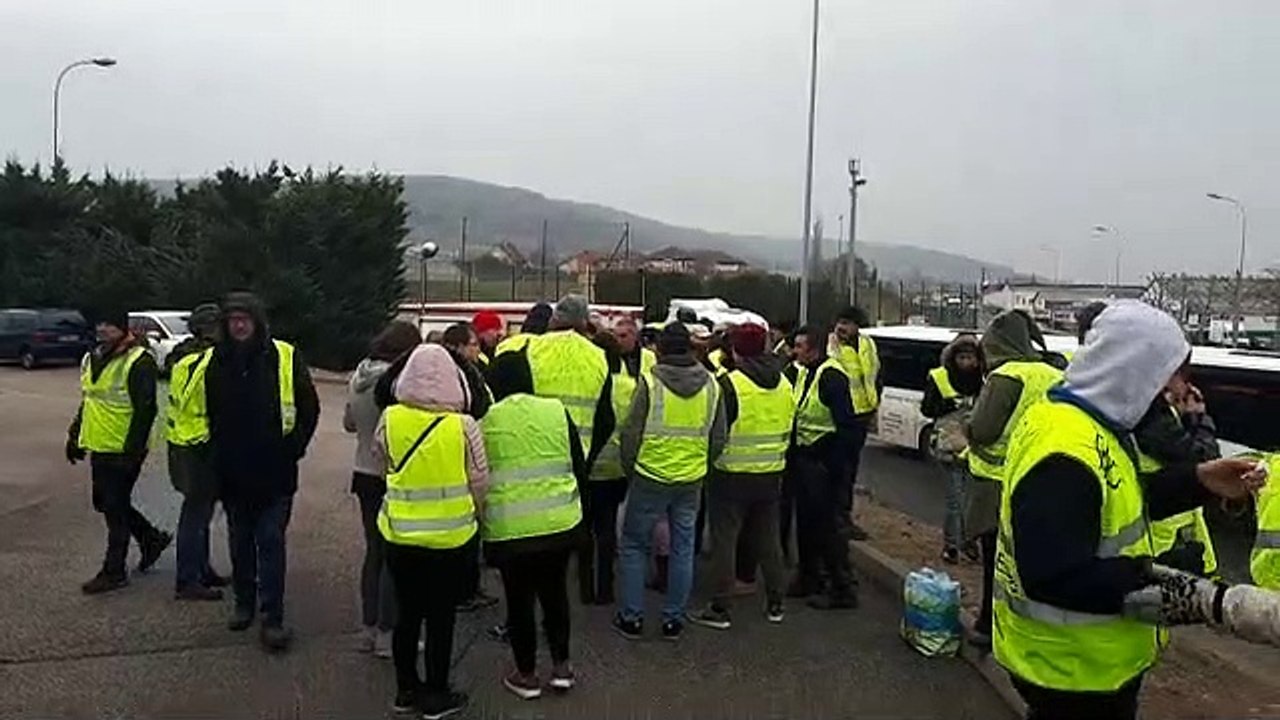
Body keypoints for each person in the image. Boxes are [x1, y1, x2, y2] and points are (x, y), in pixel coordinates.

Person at [993, 300, 1261, 720]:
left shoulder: (1084, 420)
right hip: (1072, 671)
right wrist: (1164, 573)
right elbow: (1052, 576)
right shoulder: (1065, 452)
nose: (1175, 390)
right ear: (1133, 368)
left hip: (1082, 664)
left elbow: (1120, 497)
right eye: (1170, 374)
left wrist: (1200, 480)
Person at [204, 292, 320, 652]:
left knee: (270, 543)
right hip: (233, 473)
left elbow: (308, 408)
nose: (239, 325)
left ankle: (272, 617)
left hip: (275, 473)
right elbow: (209, 413)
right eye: (232, 319)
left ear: (257, 321)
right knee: (240, 543)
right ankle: (244, 604)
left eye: (245, 318)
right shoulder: (216, 361)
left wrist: (293, 448)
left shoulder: (283, 356)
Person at [374, 344, 484, 719]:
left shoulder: (390, 419)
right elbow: (479, 482)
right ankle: (436, 693)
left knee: (408, 616)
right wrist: (478, 519)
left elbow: (381, 460)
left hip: (400, 536)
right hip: (451, 540)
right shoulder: (463, 426)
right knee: (441, 620)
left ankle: (405, 690)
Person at [481, 353, 586, 700]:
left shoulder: (487, 420)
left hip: (511, 529)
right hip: (560, 522)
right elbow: (577, 462)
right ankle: (562, 667)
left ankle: (526, 675)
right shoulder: (556, 410)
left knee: (519, 602)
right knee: (556, 595)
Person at [615, 323, 727, 640]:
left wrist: (631, 470)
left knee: (635, 545)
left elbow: (630, 434)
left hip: (650, 475)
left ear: (660, 349)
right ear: (691, 349)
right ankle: (673, 620)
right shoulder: (712, 385)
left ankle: (632, 617)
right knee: (682, 547)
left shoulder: (650, 383)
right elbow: (719, 437)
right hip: (691, 480)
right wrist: (702, 464)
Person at [964, 310, 1062, 647]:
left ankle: (989, 628)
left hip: (997, 484)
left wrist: (966, 426)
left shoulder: (1005, 377)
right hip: (1042, 481)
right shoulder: (1053, 374)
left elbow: (983, 430)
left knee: (997, 562)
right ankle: (1030, 631)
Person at [688, 324, 794, 630]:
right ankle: (776, 604)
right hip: (772, 472)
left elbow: (717, 430)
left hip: (730, 473)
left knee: (725, 541)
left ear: (734, 349)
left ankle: (721, 607)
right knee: (769, 540)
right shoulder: (785, 383)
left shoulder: (729, 384)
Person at [68, 311, 171, 595]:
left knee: (114, 507)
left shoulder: (139, 361)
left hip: (124, 447)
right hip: (99, 443)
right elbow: (90, 398)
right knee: (105, 502)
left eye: (108, 324)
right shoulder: (93, 357)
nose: (102, 328)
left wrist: (133, 451)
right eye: (99, 322)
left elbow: (146, 409)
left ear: (123, 327)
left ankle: (114, 571)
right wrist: (75, 434)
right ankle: (150, 537)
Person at [344, 320, 421, 656]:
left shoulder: (358, 376)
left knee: (374, 553)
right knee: (394, 556)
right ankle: (391, 633)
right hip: (391, 474)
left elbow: (348, 422)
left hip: (363, 473)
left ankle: (369, 628)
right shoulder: (396, 384)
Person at [786, 324, 860, 610]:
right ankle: (809, 577)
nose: (795, 351)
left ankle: (841, 588)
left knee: (829, 528)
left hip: (826, 463)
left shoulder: (831, 377)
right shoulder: (805, 372)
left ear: (814, 349)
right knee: (806, 523)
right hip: (806, 459)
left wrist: (833, 465)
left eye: (800, 346)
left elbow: (847, 428)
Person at [166, 303, 229, 600]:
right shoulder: (208, 360)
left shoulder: (182, 356)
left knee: (197, 513)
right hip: (201, 445)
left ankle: (201, 569)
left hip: (182, 443)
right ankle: (189, 578)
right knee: (196, 514)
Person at [440, 322, 498, 613]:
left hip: (462, 454)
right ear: (459, 346)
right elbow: (479, 408)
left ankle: (462, 586)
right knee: (466, 526)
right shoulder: (461, 375)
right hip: (463, 456)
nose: (478, 349)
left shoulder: (469, 370)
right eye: (473, 344)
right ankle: (464, 589)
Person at [577, 332, 632, 605]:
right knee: (607, 528)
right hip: (616, 467)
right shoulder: (630, 386)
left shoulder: (586, 384)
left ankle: (585, 586)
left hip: (588, 464)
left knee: (585, 528)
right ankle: (606, 587)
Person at [920, 333, 984, 565]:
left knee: (972, 500)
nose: (967, 362)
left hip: (977, 447)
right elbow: (927, 409)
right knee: (955, 500)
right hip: (949, 447)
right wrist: (948, 405)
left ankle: (969, 541)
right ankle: (952, 545)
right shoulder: (939, 378)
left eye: (971, 357)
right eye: (962, 357)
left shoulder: (985, 380)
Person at [829, 306, 880, 541]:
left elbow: (874, 375)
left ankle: (842, 517)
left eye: (848, 322)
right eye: (840, 321)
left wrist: (873, 407)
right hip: (840, 416)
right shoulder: (832, 346)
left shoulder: (867, 344)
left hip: (862, 414)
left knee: (850, 470)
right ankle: (837, 519)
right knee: (840, 471)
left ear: (857, 326)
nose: (842, 327)